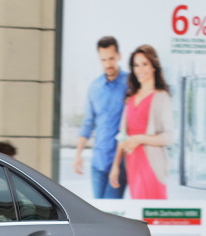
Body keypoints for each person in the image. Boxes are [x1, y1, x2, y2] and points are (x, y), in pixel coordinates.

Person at [108, 44, 173, 200]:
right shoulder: (131, 98)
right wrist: (116, 165)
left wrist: (139, 139)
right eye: (136, 65)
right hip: (133, 164)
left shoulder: (161, 97)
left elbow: (169, 137)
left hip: (152, 165)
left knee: (152, 214)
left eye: (145, 64)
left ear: (153, 67)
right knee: (138, 214)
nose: (140, 69)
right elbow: (122, 135)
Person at [73, 36, 129, 199]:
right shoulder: (94, 87)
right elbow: (88, 123)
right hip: (98, 162)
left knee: (111, 214)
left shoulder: (130, 83)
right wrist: (78, 155)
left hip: (120, 163)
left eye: (111, 58)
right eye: (103, 60)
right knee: (99, 210)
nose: (108, 64)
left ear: (119, 56)